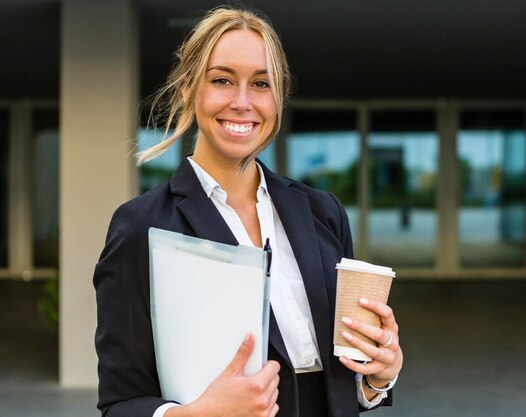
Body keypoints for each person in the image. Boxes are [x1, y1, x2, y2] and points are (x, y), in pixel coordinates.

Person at [93, 7, 403, 417]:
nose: (242, 103)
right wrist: (198, 414)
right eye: (222, 80)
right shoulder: (142, 227)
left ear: (279, 98)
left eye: (261, 84)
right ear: (188, 89)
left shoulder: (322, 212)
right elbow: (120, 405)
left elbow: (337, 385)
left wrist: (378, 376)